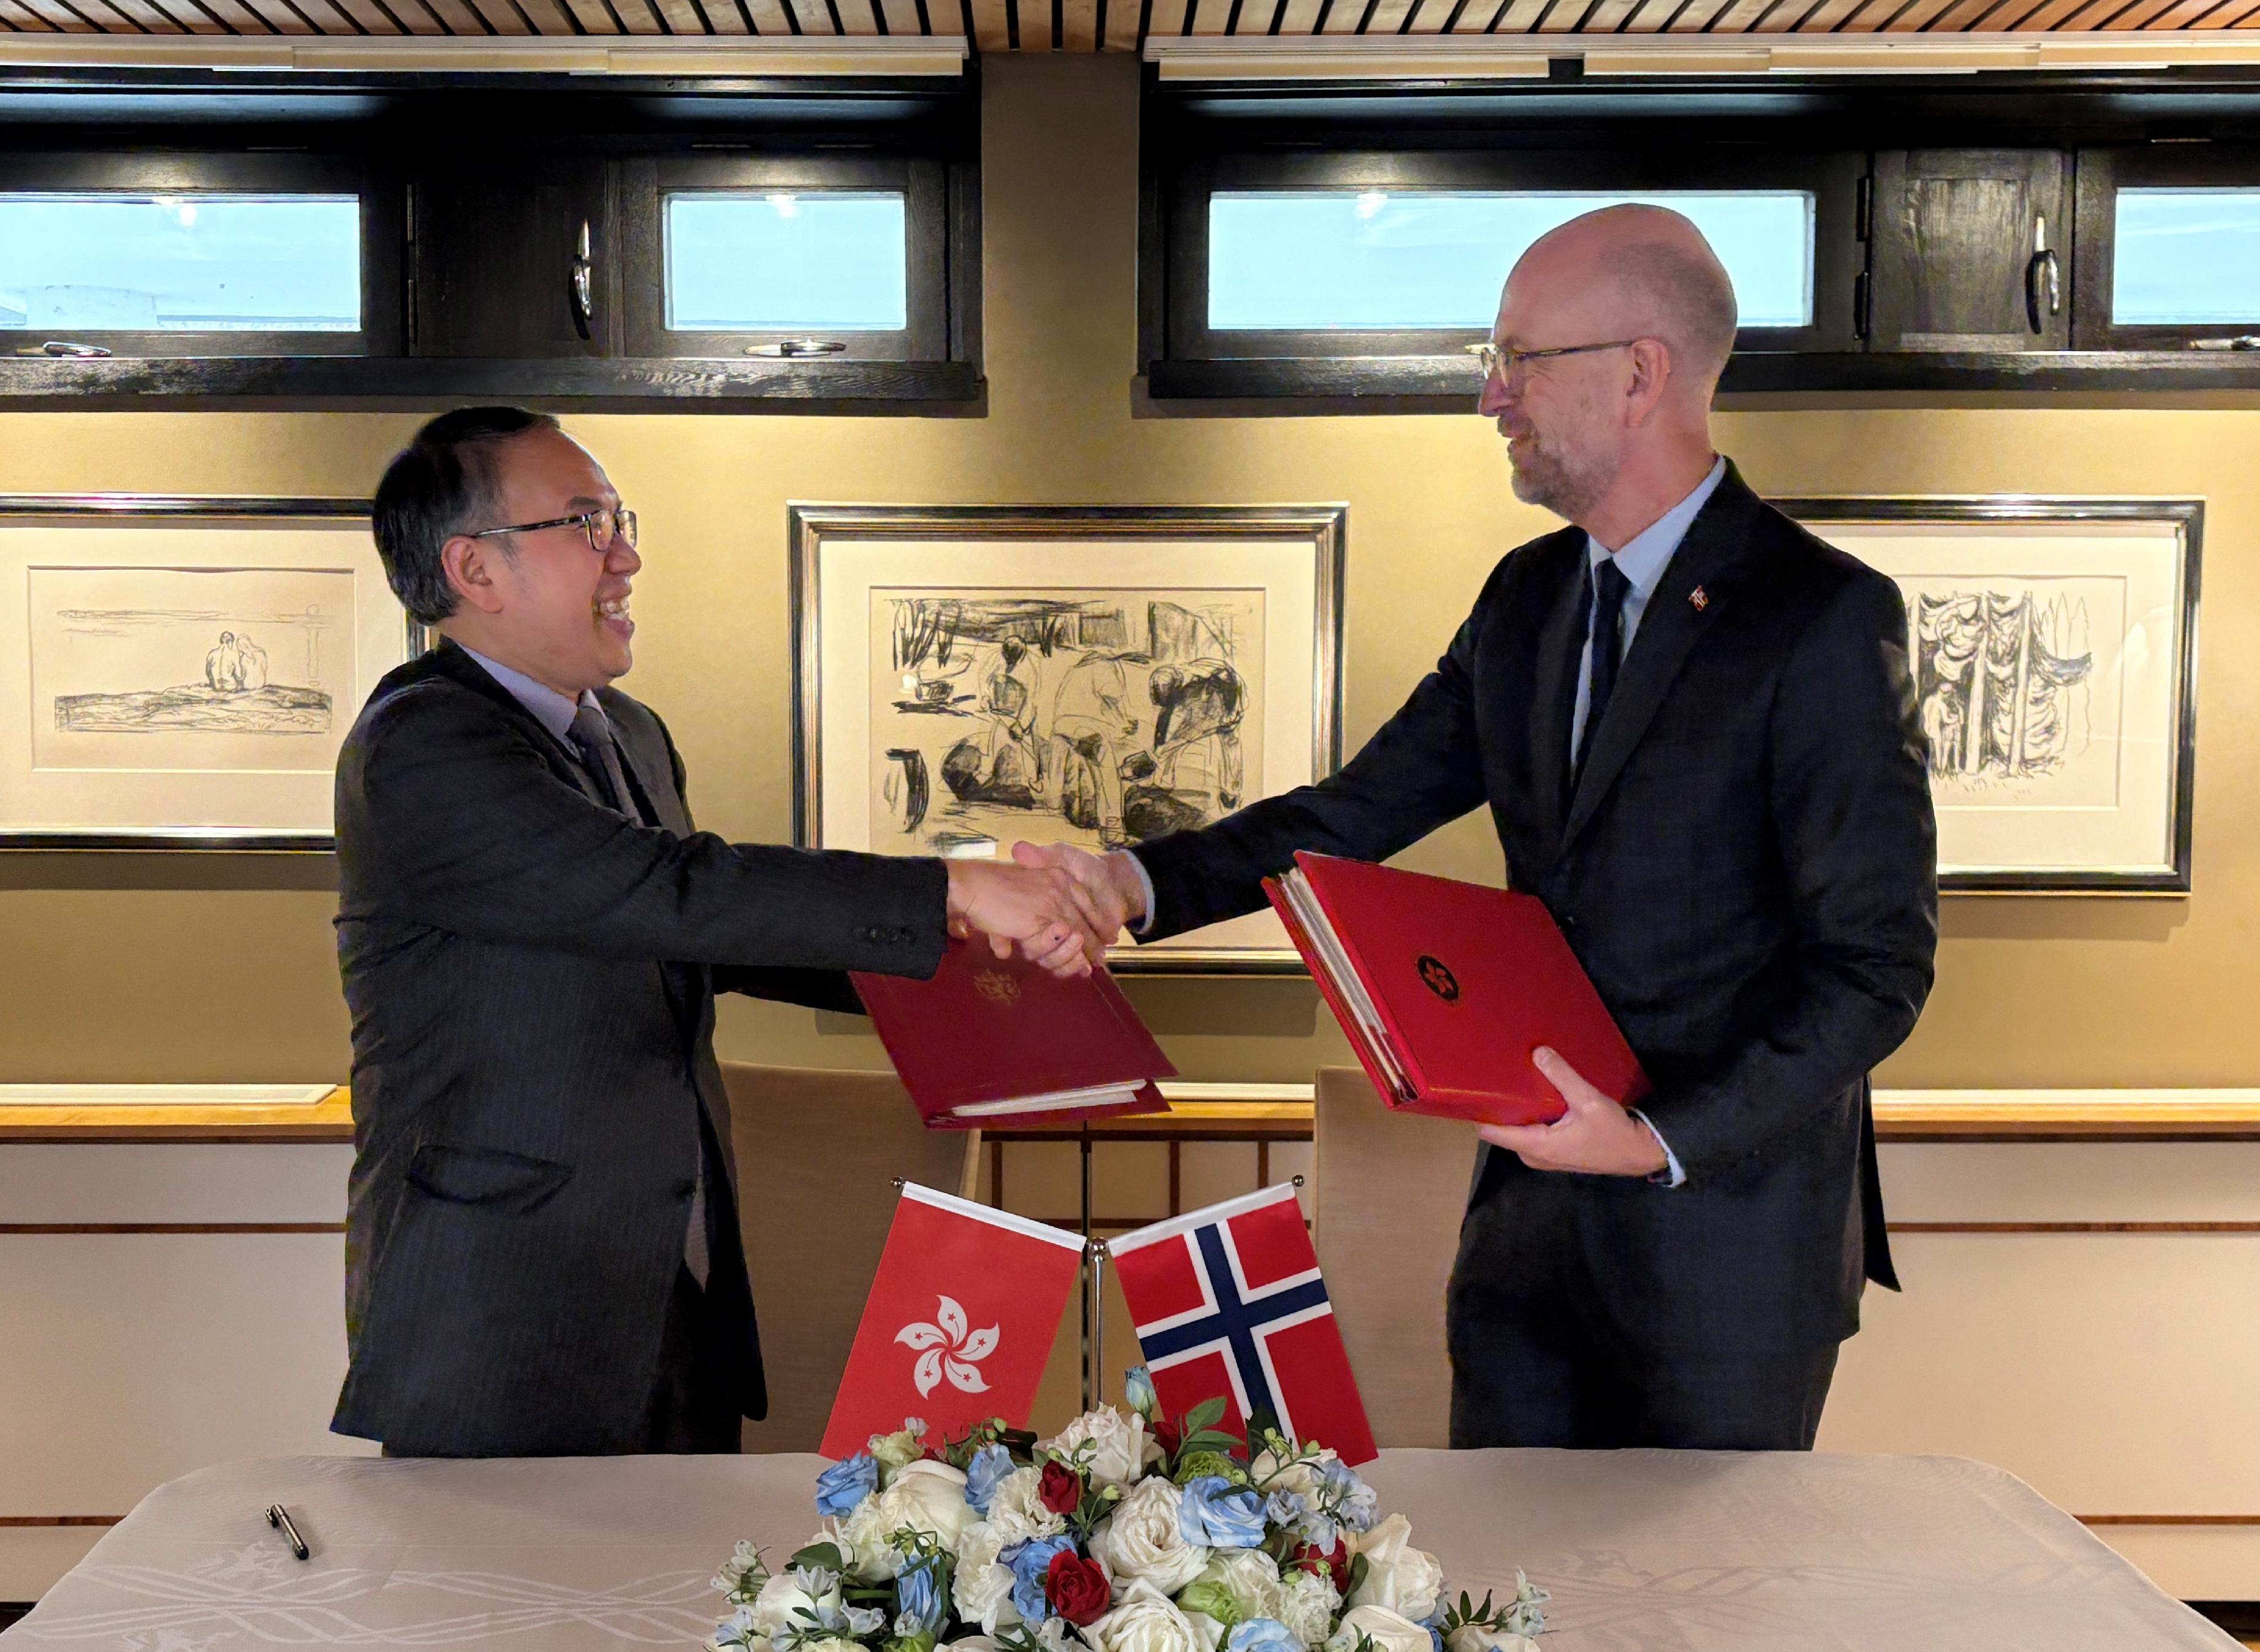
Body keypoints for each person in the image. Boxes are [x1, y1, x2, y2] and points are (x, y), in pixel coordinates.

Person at [1022, 206, 1938, 1452]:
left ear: (1638, 374)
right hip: (1522, 1246)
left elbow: (1873, 969)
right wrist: (1131, 884)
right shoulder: (1525, 599)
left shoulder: (1820, 617)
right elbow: (1350, 815)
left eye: (1516, 360)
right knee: (1507, 1615)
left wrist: (1658, 1139)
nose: (1489, 398)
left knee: (1693, 1629)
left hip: (1724, 1250)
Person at [332, 407, 1101, 1459]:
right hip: (508, 1314)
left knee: (686, 1613)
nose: (628, 556)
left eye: (621, 521)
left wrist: (978, 950)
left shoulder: (628, 734)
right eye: (589, 525)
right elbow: (666, 887)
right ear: (477, 568)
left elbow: (702, 934)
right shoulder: (423, 743)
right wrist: (948, 893)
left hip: (674, 1278)